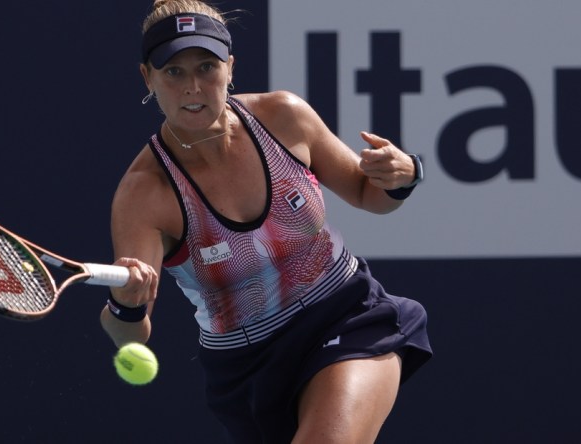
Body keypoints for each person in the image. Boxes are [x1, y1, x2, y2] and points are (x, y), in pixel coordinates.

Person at [100, 1, 432, 442]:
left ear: (230, 67)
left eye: (206, 66)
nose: (193, 87)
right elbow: (130, 338)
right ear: (148, 78)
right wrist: (128, 302)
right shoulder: (145, 193)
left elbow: (367, 194)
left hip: (346, 317)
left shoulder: (284, 117)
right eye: (173, 72)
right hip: (249, 372)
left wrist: (402, 177)